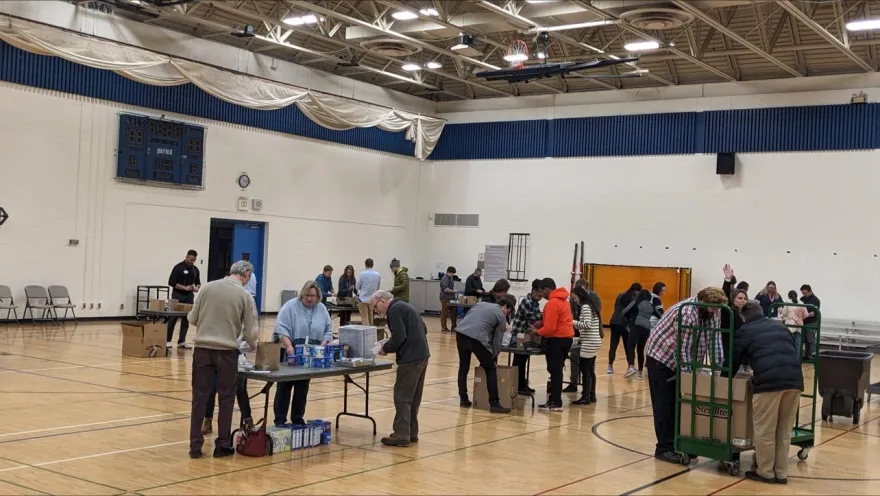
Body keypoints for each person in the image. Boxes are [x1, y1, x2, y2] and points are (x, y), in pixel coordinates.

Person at [645, 287, 728, 464]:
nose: (716, 312)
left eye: (718, 308)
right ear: (704, 303)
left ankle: (681, 444)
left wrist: (719, 370)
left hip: (686, 359)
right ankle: (664, 448)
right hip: (662, 358)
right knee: (665, 405)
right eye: (713, 308)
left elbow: (715, 341)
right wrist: (688, 378)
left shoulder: (715, 312)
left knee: (682, 406)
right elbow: (681, 350)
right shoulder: (686, 313)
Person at [726, 302, 803, 484]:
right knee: (784, 431)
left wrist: (722, 379)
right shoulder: (780, 326)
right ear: (761, 312)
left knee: (765, 430)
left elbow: (733, 360)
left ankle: (766, 472)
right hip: (795, 381)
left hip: (769, 384)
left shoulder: (745, 330)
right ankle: (781, 473)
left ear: (744, 317)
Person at [186, 260, 258, 459]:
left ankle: (195, 447)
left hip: (202, 349)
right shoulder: (245, 295)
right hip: (227, 352)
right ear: (246, 275)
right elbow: (251, 332)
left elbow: (192, 318)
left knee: (199, 399)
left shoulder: (207, 288)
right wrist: (251, 343)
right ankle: (222, 445)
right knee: (226, 399)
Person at [371, 291, 430, 447]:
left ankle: (401, 434)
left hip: (410, 358)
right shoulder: (407, 306)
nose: (376, 310)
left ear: (383, 301)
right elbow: (424, 329)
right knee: (414, 397)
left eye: (375, 306)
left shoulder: (394, 310)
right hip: (423, 354)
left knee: (402, 396)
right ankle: (411, 432)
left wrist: (385, 348)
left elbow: (399, 336)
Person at [273, 280, 333, 427]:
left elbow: (328, 330)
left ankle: (297, 419)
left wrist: (322, 346)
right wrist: (288, 346)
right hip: (290, 351)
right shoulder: (290, 306)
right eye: (307, 295)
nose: (309, 298)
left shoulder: (322, 309)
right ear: (302, 294)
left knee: (302, 388)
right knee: (284, 387)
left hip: (309, 355)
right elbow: (281, 328)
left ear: (318, 296)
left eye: (313, 296)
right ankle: (279, 420)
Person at [455, 295, 517, 413]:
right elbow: (498, 341)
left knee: (463, 367)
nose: (507, 314)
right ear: (505, 306)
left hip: (461, 334)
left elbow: (468, 319)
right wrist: (493, 356)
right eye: (508, 311)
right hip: (477, 338)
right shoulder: (500, 315)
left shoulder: (479, 304)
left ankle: (463, 399)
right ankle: (494, 403)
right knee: (490, 369)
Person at [534, 278, 574, 412]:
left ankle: (556, 402)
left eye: (541, 292)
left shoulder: (552, 303)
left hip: (556, 340)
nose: (541, 295)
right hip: (567, 339)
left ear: (546, 289)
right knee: (557, 371)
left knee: (555, 372)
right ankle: (555, 400)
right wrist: (542, 323)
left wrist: (537, 331)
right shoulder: (564, 301)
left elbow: (550, 328)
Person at [508, 279, 543, 394]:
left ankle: (522, 385)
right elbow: (533, 320)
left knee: (523, 361)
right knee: (519, 362)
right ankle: (517, 385)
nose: (540, 296)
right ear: (533, 291)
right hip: (519, 336)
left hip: (527, 337)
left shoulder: (535, 303)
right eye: (539, 293)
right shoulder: (526, 302)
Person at [571, 287, 601, 406]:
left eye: (574, 297)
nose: (574, 300)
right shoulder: (591, 306)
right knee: (590, 370)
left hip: (589, 342)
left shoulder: (585, 307)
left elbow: (587, 325)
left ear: (579, 296)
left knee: (585, 370)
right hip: (594, 341)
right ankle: (592, 394)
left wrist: (572, 322)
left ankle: (586, 396)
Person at [167, 249, 201, 349]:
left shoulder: (195, 270)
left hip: (189, 296)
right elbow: (171, 282)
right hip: (178, 295)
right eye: (190, 260)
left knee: (187, 318)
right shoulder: (178, 268)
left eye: (193, 260)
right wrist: (184, 287)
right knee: (173, 318)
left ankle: (182, 341)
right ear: (186, 257)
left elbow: (198, 282)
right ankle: (168, 340)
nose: (191, 262)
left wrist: (196, 288)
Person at [622, 290, 660, 380]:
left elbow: (624, 312)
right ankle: (640, 373)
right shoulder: (651, 306)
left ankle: (631, 366)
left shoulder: (636, 302)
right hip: (646, 328)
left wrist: (629, 319)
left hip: (635, 326)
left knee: (630, 346)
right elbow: (660, 315)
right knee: (640, 350)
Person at [607, 283, 640, 375]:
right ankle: (630, 366)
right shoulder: (633, 300)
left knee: (613, 345)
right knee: (628, 346)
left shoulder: (620, 296)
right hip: (624, 323)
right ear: (636, 291)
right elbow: (631, 313)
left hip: (614, 321)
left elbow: (615, 308)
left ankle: (610, 366)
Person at [564, 279, 589, 393]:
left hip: (588, 335)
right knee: (574, 357)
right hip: (575, 332)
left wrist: (574, 322)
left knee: (587, 362)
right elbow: (570, 314)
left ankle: (588, 388)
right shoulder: (572, 301)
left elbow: (590, 322)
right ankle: (573, 383)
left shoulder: (592, 300)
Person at [778, 290, 808, 359]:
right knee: (798, 346)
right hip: (799, 326)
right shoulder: (801, 303)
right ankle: (797, 362)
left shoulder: (787, 302)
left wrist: (784, 317)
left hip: (789, 326)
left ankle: (789, 360)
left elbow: (784, 314)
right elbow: (806, 315)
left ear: (789, 296)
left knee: (788, 345)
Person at [356, 258, 381, 325]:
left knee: (365, 318)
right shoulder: (378, 275)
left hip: (363, 299)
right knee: (371, 318)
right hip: (372, 300)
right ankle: (371, 333)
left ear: (365, 265)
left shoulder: (362, 274)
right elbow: (378, 288)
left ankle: (366, 333)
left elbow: (357, 287)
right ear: (373, 265)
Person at [800, 284, 821, 360]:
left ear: (810, 291)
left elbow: (814, 312)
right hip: (803, 322)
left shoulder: (816, 300)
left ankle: (812, 355)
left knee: (810, 339)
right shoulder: (802, 299)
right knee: (804, 339)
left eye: (805, 293)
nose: (804, 295)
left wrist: (806, 315)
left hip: (812, 322)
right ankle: (806, 354)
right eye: (803, 293)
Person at [439, 266, 458, 333]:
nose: (452, 275)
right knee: (444, 313)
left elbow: (452, 286)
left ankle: (454, 327)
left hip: (451, 298)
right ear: (448, 272)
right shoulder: (444, 279)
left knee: (454, 311)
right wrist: (454, 291)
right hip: (445, 298)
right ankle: (443, 327)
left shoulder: (450, 278)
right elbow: (446, 289)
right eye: (452, 273)